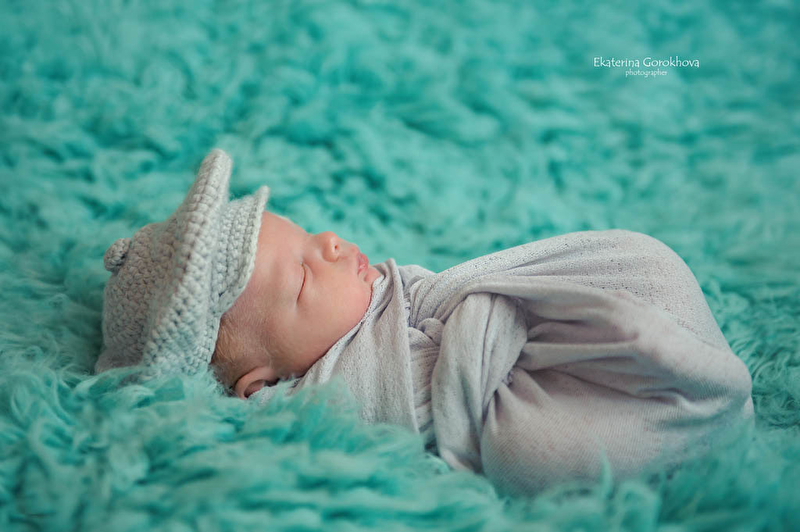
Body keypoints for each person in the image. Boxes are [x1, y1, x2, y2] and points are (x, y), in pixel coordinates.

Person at [97, 148, 754, 497]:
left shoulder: (398, 298)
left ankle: (662, 347)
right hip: (497, 385)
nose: (330, 243)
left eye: (306, 234)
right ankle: (680, 390)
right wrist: (478, 334)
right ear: (260, 383)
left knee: (641, 263)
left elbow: (444, 298)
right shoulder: (322, 401)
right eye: (301, 277)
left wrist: (479, 312)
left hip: (502, 329)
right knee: (534, 449)